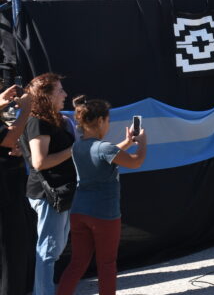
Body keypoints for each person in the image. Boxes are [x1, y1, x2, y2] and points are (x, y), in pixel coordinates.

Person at [56, 96, 147, 295]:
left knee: (77, 263)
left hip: (79, 212)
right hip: (103, 214)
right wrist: (142, 144)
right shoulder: (104, 148)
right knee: (106, 264)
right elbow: (135, 162)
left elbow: (105, 155)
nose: (108, 124)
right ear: (99, 121)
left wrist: (126, 141)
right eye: (108, 120)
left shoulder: (77, 146)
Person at [19, 73, 77, 295]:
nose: (65, 94)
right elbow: (40, 162)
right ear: (46, 96)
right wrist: (74, 151)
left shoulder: (53, 119)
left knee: (55, 248)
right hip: (48, 194)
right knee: (49, 250)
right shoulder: (37, 122)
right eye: (59, 90)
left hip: (60, 192)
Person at [0, 84, 34, 295]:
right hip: (4, 197)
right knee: (9, 252)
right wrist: (27, 109)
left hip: (12, 189)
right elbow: (8, 138)